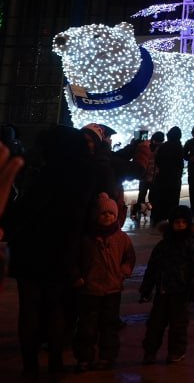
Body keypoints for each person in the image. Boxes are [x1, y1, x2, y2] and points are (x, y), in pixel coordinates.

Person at [4, 124, 91, 377]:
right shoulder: (79, 176)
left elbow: (24, 212)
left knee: (30, 307)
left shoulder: (44, 176)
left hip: (32, 248)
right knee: (55, 307)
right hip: (63, 249)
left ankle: (30, 366)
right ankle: (55, 363)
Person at [71, 192, 135, 372]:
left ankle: (107, 356)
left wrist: (123, 272)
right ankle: (84, 357)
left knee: (109, 326)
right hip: (89, 289)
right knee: (87, 327)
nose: (107, 217)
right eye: (103, 213)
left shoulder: (121, 238)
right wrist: (78, 277)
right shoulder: (86, 239)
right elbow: (75, 259)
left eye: (111, 214)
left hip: (112, 289)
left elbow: (129, 257)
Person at [139, 204, 194, 365]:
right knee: (155, 324)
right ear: (171, 224)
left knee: (178, 325)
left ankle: (176, 351)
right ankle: (150, 351)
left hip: (181, 293)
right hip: (163, 291)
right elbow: (152, 268)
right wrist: (146, 288)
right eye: (177, 222)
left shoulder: (191, 245)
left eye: (183, 222)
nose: (180, 225)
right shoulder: (163, 246)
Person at [150, 126, 185, 227]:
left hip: (162, 178)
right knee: (173, 202)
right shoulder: (179, 147)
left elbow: (158, 160)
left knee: (161, 200)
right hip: (174, 179)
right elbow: (180, 164)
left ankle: (158, 220)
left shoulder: (164, 146)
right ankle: (172, 220)